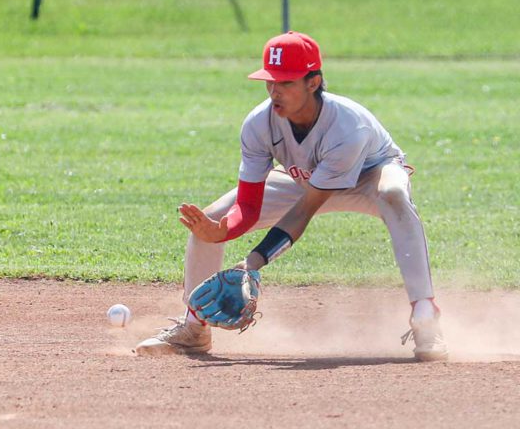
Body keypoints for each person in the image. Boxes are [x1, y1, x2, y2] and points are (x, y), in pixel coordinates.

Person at [135, 31, 448, 361]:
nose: (274, 92)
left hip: (368, 176)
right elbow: (249, 205)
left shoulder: (347, 127)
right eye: (270, 81)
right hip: (303, 179)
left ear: (313, 82)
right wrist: (222, 232)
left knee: (394, 193)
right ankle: (193, 328)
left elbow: (305, 210)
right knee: (210, 220)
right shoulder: (258, 124)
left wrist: (251, 263)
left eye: (286, 83)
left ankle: (426, 317)